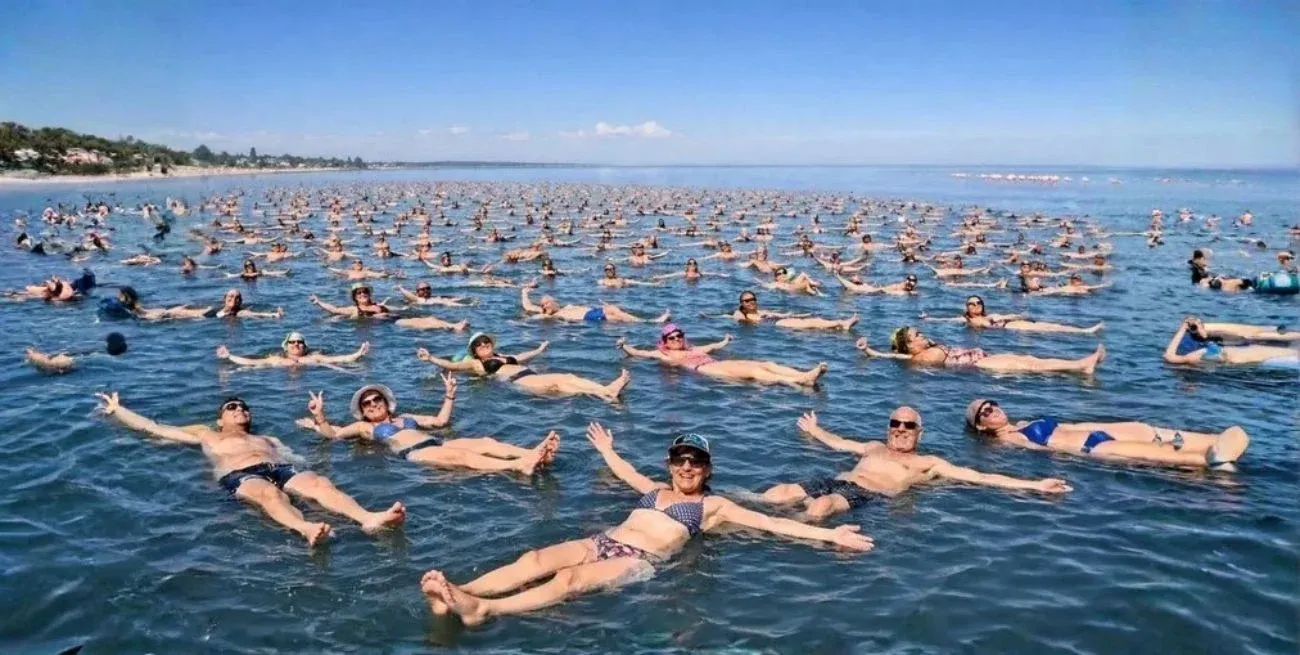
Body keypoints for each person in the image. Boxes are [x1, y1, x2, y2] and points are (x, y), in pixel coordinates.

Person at [419, 422, 873, 625]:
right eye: (680, 460)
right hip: (603, 540)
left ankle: (484, 611)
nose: (687, 468)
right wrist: (607, 451)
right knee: (534, 557)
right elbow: (626, 473)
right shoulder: (656, 489)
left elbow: (776, 526)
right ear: (671, 463)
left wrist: (831, 534)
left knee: (569, 579)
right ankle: (461, 592)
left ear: (708, 469)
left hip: (640, 560)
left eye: (696, 462)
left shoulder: (715, 507)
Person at [94, 392, 406, 545]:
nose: (240, 409)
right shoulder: (206, 433)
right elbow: (155, 428)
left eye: (243, 406)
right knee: (270, 495)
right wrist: (118, 410)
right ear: (220, 419)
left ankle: (367, 518)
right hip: (239, 475)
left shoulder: (266, 437)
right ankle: (306, 528)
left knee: (320, 483)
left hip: (278, 467)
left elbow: (295, 458)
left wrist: (317, 437)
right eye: (232, 407)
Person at [758, 408, 1070, 517]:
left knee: (821, 506)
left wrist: (1035, 484)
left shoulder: (928, 462)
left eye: (909, 426)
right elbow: (837, 442)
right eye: (896, 423)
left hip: (868, 496)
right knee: (779, 492)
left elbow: (981, 476)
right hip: (837, 479)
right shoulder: (873, 446)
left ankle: (789, 537)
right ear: (888, 428)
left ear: (919, 433)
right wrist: (815, 430)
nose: (901, 429)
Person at [296, 379, 557, 474]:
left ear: (386, 402)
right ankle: (516, 466)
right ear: (362, 411)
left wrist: (450, 395)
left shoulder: (406, 416)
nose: (373, 404)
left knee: (485, 442)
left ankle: (531, 454)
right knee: (463, 457)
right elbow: (333, 434)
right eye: (367, 403)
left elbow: (440, 421)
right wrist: (319, 417)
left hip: (436, 442)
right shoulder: (364, 428)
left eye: (377, 399)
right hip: (414, 453)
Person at [964, 398, 1250, 470]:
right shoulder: (1006, 439)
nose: (993, 411)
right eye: (985, 413)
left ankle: (1220, 448)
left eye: (993, 405)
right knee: (1175, 456)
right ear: (980, 426)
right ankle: (1216, 462)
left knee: (1161, 435)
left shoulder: (1024, 421)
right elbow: (1046, 451)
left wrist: (1108, 426)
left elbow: (1071, 425)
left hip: (1097, 433)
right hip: (1094, 448)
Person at [417, 333, 630, 402]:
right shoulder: (475, 363)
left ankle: (606, 395)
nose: (484, 345)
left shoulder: (502, 355)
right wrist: (431, 358)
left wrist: (539, 349)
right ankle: (607, 390)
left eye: (486, 342)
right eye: (479, 345)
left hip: (528, 375)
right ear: (474, 350)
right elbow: (451, 365)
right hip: (518, 382)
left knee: (565, 386)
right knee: (564, 377)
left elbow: (521, 357)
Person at [617, 323, 828, 387]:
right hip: (705, 370)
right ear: (664, 341)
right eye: (671, 338)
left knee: (766, 362)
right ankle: (798, 381)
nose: (677, 340)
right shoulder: (663, 354)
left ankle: (802, 374)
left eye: (679, 336)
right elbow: (639, 353)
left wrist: (725, 341)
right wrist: (625, 346)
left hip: (716, 363)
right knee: (755, 372)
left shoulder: (692, 349)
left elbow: (712, 347)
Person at [857, 327, 1104, 375]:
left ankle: (1080, 365)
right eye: (916, 336)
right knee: (1030, 365)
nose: (922, 335)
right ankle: (1081, 365)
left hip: (984, 360)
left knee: (1030, 359)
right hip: (980, 367)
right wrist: (869, 351)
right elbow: (892, 356)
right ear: (909, 346)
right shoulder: (917, 357)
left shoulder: (924, 350)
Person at [920, 295, 1103, 335]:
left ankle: (1083, 331)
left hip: (1008, 326)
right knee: (1045, 330)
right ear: (966, 307)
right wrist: (928, 319)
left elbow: (1010, 315)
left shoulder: (993, 315)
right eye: (971, 303)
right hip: (1003, 331)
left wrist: (1020, 315)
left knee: (1049, 326)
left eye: (978, 303)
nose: (975, 306)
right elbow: (945, 319)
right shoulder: (964, 319)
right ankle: (1084, 332)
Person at [1163, 317, 1299, 367]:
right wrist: (1182, 329)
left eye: (1201, 324)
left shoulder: (1207, 339)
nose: (1200, 327)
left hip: (1225, 352)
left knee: (1255, 340)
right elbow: (1169, 357)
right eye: (1196, 326)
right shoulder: (1189, 346)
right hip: (1226, 356)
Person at [215, 331, 370, 368]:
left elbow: (339, 359)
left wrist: (358, 353)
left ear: (305, 346)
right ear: (286, 345)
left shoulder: (314, 358)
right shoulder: (276, 360)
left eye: (300, 342)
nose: (296, 344)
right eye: (292, 342)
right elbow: (251, 363)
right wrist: (229, 356)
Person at [723, 290, 858, 331]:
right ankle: (841, 323)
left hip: (779, 320)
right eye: (747, 300)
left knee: (813, 320)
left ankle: (840, 326)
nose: (751, 301)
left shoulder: (761, 311)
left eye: (753, 299)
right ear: (742, 303)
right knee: (808, 324)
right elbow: (732, 317)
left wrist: (802, 314)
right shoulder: (740, 313)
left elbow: (782, 314)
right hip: (774, 325)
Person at [520, 287, 669, 323]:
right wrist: (524, 292)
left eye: (546, 303)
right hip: (588, 318)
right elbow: (528, 307)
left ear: (554, 302)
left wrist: (526, 291)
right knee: (614, 312)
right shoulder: (548, 315)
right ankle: (650, 322)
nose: (545, 307)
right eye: (543, 305)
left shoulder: (566, 307)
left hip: (594, 312)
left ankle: (647, 322)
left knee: (615, 312)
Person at [25, 332, 128, 373]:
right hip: (80, 363)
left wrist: (33, 356)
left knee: (50, 364)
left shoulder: (96, 354)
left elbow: (54, 363)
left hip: (75, 362)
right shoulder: (103, 353)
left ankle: (33, 356)